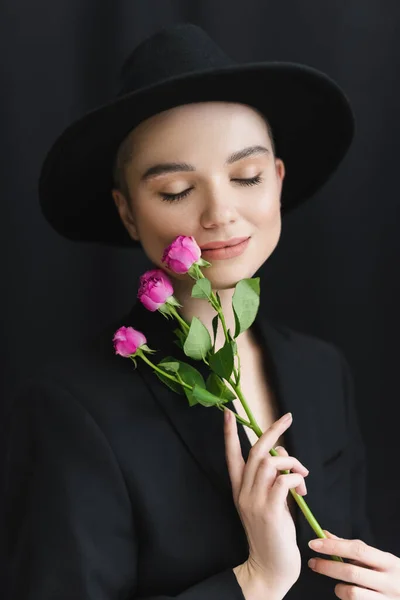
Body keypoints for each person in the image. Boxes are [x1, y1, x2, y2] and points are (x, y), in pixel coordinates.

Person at [5, 22, 400, 600]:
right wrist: (254, 581)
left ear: (279, 181)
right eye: (174, 191)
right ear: (128, 212)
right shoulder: (69, 410)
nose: (220, 213)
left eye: (246, 176)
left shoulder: (323, 369)